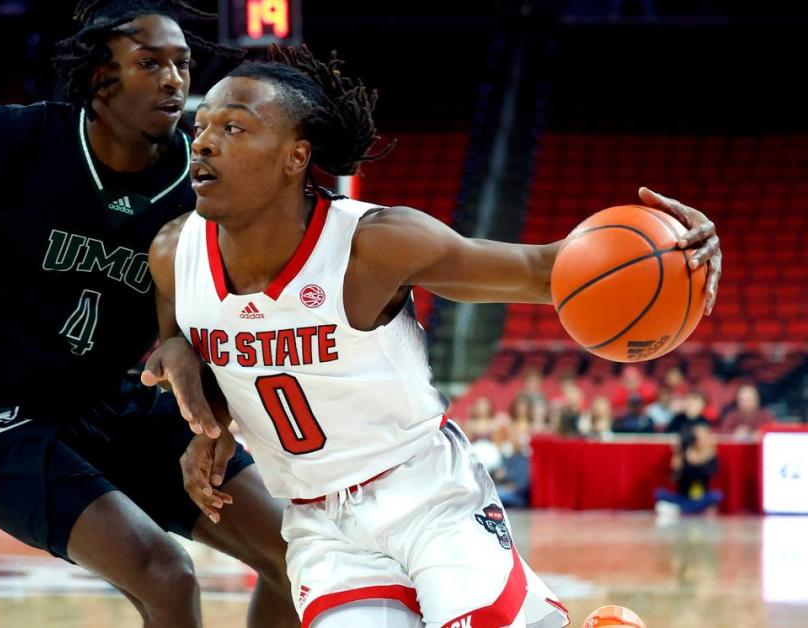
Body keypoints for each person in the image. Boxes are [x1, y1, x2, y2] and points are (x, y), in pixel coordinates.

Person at [143, 45, 723, 628]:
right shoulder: (172, 254)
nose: (205, 141)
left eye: (234, 127)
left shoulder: (374, 244)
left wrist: (680, 256)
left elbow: (546, 269)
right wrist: (207, 425)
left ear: (296, 156)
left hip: (430, 497)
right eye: (203, 126)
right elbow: (194, 353)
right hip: (320, 526)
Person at [0, 2, 297, 626]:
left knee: (298, 553)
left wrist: (210, 426)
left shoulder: (203, 181)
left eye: (183, 65)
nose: (174, 79)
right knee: (166, 574)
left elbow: (221, 322)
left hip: (114, 399)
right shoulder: (13, 138)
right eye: (150, 63)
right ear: (98, 80)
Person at [654, 423, 723, 516]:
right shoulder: (684, 453)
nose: (698, 440)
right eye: (696, 437)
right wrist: (678, 459)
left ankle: (684, 510)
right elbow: (674, 477)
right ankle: (685, 510)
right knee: (659, 493)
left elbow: (711, 473)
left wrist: (697, 462)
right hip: (683, 496)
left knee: (716, 496)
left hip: (701, 497)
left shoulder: (711, 455)